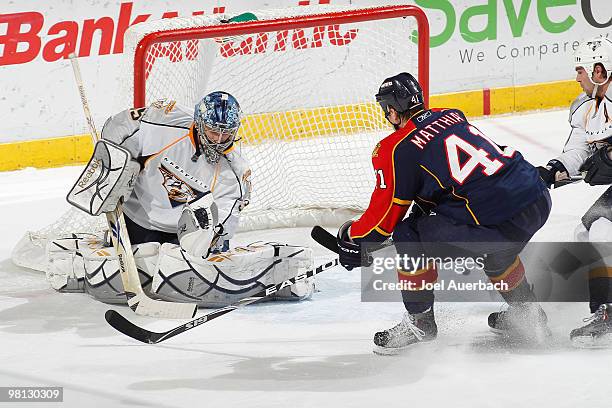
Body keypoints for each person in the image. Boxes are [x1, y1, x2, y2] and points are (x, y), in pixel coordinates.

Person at [335, 72, 552, 355]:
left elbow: (381, 224)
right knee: (496, 249)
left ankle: (419, 322)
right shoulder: (450, 115)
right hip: (537, 197)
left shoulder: (396, 149)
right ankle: (529, 315)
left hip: (498, 223)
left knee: (407, 232)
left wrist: (352, 236)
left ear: (391, 109)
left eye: (384, 109)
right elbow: (448, 183)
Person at [52, 92, 315, 306]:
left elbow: (224, 223)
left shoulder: (235, 172)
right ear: (199, 124)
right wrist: (115, 163)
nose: (220, 139)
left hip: (182, 235)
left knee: (203, 228)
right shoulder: (163, 121)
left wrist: (211, 244)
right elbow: (117, 127)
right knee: (119, 277)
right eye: (213, 131)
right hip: (137, 219)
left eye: (227, 132)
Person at [536, 35, 612, 347]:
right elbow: (578, 151)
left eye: (580, 70)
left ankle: (606, 314)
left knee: (601, 230)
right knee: (587, 231)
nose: (577, 76)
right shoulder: (583, 106)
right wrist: (552, 169)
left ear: (599, 71)